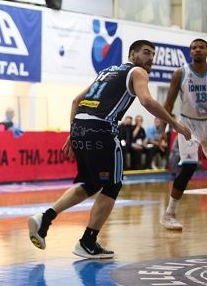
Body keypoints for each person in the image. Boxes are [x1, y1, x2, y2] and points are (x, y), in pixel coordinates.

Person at [28, 40, 191, 259]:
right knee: (112, 185)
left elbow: (76, 101)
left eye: (153, 54)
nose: (150, 58)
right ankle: (88, 242)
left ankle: (45, 218)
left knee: (92, 184)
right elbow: (146, 101)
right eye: (146, 53)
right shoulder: (138, 72)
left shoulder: (106, 72)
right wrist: (175, 124)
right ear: (132, 54)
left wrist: (73, 133)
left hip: (81, 127)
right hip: (102, 128)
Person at [160, 38, 207, 231]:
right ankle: (169, 214)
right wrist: (163, 131)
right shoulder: (180, 73)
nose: (197, 50)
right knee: (188, 167)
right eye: (194, 48)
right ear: (190, 52)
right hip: (188, 125)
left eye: (201, 47)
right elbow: (168, 104)